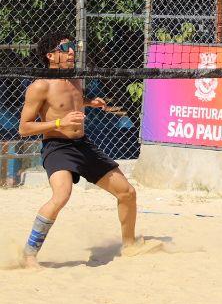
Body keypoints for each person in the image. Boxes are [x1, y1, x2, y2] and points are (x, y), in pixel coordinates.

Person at [18, 32, 159, 267]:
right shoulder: (40, 86)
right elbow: (24, 128)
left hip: (83, 144)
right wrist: (59, 122)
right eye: (66, 48)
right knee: (61, 195)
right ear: (50, 56)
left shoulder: (76, 79)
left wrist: (89, 102)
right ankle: (29, 254)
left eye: (73, 46)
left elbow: (68, 101)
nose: (72, 52)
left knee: (127, 193)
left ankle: (130, 245)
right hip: (57, 147)